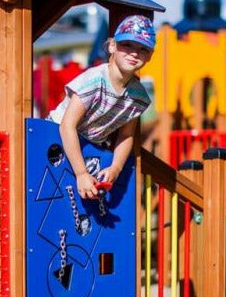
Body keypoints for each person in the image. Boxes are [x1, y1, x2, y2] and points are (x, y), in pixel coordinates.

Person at [48, 14, 155, 199]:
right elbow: (67, 126)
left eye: (142, 49)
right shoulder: (95, 80)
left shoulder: (138, 96)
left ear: (150, 56)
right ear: (113, 45)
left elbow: (126, 135)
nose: (134, 53)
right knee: (49, 192)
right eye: (127, 45)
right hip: (55, 137)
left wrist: (116, 167)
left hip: (89, 145)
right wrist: (81, 174)